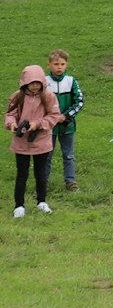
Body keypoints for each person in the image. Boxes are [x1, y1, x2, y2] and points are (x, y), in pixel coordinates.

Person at [7, 64, 59, 217]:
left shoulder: (48, 96)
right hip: (21, 141)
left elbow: (54, 115)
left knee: (40, 172)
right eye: (32, 83)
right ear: (25, 82)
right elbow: (10, 114)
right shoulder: (18, 96)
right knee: (22, 173)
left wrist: (38, 124)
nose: (35, 86)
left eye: (38, 83)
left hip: (41, 140)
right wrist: (12, 124)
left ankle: (41, 202)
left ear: (42, 82)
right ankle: (19, 206)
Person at [47, 49, 82, 192]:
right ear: (49, 65)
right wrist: (51, 118)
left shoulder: (71, 81)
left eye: (62, 64)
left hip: (67, 126)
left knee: (68, 154)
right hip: (49, 127)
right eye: (56, 64)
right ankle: (44, 181)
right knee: (46, 155)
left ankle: (70, 180)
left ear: (66, 64)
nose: (59, 67)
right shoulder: (44, 82)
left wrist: (66, 116)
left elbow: (79, 102)